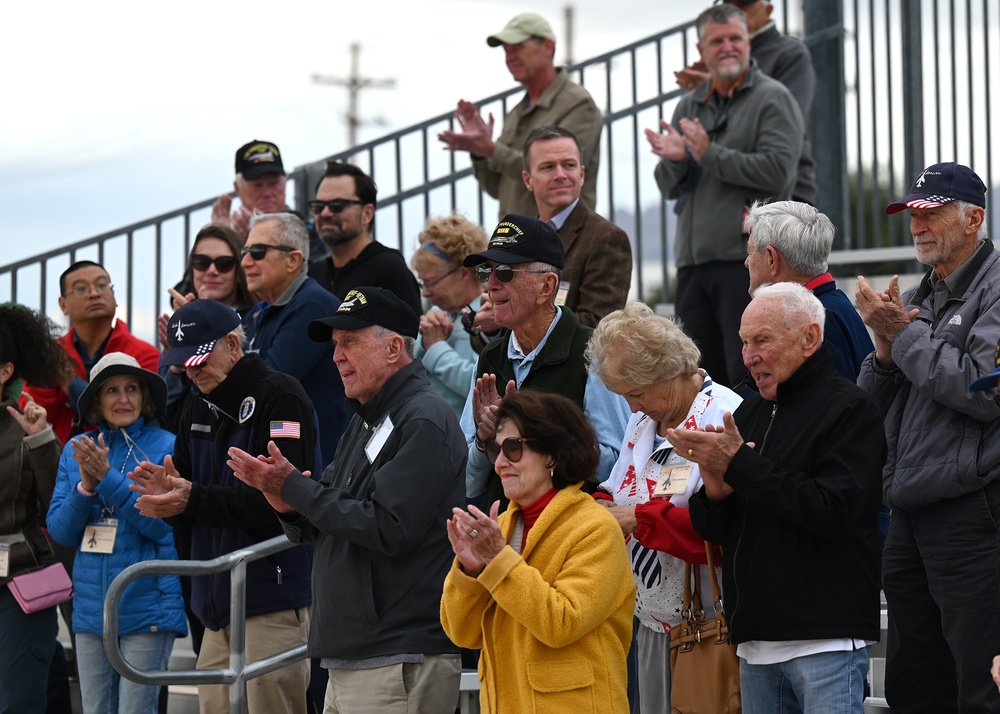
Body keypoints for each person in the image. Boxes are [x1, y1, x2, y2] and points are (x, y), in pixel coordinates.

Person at [227, 286, 466, 713]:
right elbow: (326, 516)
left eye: (350, 342)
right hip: (356, 654)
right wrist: (284, 502)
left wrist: (294, 488)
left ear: (394, 348)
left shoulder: (423, 418)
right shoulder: (368, 417)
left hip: (397, 655)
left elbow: (388, 527)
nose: (337, 355)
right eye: (336, 345)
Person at [668, 282, 884, 713]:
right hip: (755, 645)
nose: (749, 356)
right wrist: (715, 488)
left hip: (824, 641)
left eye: (762, 340)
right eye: (745, 342)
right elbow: (716, 531)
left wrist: (741, 467)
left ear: (810, 339)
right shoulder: (748, 412)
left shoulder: (850, 409)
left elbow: (832, 511)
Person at [857, 161, 1000, 712]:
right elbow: (869, 410)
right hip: (910, 514)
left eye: (932, 213)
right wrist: (886, 355)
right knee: (914, 684)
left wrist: (905, 334)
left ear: (974, 220)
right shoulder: (924, 294)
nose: (917, 225)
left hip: (973, 512)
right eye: (911, 214)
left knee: (979, 682)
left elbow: (984, 392)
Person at [130, 299, 318, 714]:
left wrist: (191, 498)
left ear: (233, 344)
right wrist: (171, 497)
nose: (192, 371)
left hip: (272, 598)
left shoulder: (281, 397)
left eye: (199, 359)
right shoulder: (195, 404)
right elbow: (187, 491)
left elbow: (283, 501)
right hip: (214, 607)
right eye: (184, 363)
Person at [586, 301, 743, 711]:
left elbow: (720, 525)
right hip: (652, 616)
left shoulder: (724, 415)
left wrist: (636, 518)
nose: (633, 408)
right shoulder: (643, 422)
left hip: (710, 622)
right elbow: (618, 487)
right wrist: (601, 507)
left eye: (636, 394)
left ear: (668, 371)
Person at [440, 390, 635, 712]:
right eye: (496, 450)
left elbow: (562, 623)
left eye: (513, 449)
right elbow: (462, 633)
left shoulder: (596, 528)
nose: (500, 463)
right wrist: (472, 573)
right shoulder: (499, 528)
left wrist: (497, 560)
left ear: (553, 454)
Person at [645, 3, 802, 386]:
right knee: (697, 379)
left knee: (746, 377)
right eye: (717, 41)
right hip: (693, 269)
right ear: (702, 51)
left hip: (743, 265)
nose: (728, 47)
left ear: (749, 42)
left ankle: (746, 447)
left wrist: (708, 154)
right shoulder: (690, 103)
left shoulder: (773, 98)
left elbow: (777, 172)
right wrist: (679, 160)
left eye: (736, 38)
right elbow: (668, 185)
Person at [46, 353, 186, 714]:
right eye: (111, 390)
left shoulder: (167, 446)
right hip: (92, 613)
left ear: (145, 397)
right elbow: (60, 532)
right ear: (96, 400)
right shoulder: (77, 450)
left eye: (131, 389)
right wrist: (86, 488)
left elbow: (161, 524)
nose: (123, 399)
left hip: (147, 607)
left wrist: (106, 479)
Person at [459, 214, 630, 508]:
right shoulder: (490, 357)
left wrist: (529, 433)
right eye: (487, 272)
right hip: (504, 531)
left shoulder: (591, 352)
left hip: (567, 535)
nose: (492, 284)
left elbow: (615, 467)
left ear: (547, 287)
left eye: (506, 272)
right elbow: (467, 480)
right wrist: (486, 440)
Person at [439, 12, 603, 218]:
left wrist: (491, 149)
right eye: (506, 51)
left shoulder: (577, 104)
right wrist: (480, 153)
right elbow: (497, 189)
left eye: (518, 48)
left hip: (561, 242)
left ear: (548, 47)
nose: (510, 57)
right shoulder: (517, 112)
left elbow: (558, 177)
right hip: (517, 242)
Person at [675, 0, 817, 205]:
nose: (734, 12)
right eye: (728, 4)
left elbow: (787, 124)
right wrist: (708, 89)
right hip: (724, 191)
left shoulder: (789, 54)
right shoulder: (719, 60)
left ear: (768, 10)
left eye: (744, 4)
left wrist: (719, 87)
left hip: (782, 195)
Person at [239, 212, 348, 466]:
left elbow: (265, 385)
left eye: (257, 251)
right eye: (245, 251)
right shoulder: (259, 311)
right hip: (286, 459)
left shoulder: (312, 306)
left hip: (316, 468)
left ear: (293, 260)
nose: (245, 262)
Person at [0, 305, 66, 713]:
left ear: (5, 371)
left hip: (20, 584)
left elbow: (58, 503)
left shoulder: (28, 426)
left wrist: (42, 441)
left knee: (18, 701)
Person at [21, 261, 160, 444]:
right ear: (63, 305)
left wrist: (69, 381)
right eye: (81, 288)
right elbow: (35, 413)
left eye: (102, 285)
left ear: (114, 297)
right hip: (60, 460)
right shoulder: (48, 355)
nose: (94, 293)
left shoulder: (144, 354)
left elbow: (145, 416)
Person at [743, 200, 874, 380]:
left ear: (772, 259)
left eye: (750, 252)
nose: (747, 262)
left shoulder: (815, 321)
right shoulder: (834, 305)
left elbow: (828, 405)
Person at [522, 125, 632, 327]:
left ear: (582, 175)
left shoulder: (607, 238)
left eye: (569, 165)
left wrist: (518, 319)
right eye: (548, 167)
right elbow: (488, 333)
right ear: (528, 180)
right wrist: (491, 329)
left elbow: (596, 329)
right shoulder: (519, 238)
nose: (560, 174)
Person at [306, 161, 422, 316]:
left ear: (367, 213)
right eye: (319, 206)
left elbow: (409, 338)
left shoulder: (389, 270)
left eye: (337, 205)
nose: (325, 213)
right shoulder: (312, 274)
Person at [409, 215, 489, 415]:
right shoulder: (436, 315)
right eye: (422, 283)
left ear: (463, 274)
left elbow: (482, 389)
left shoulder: (490, 318)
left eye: (431, 282)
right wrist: (421, 344)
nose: (425, 292)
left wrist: (436, 349)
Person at [210, 139, 328, 261]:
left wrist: (258, 243)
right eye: (257, 185)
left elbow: (316, 270)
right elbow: (198, 277)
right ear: (237, 188)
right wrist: (220, 241)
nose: (267, 193)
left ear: (285, 182)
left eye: (273, 184)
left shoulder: (307, 233)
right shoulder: (230, 237)